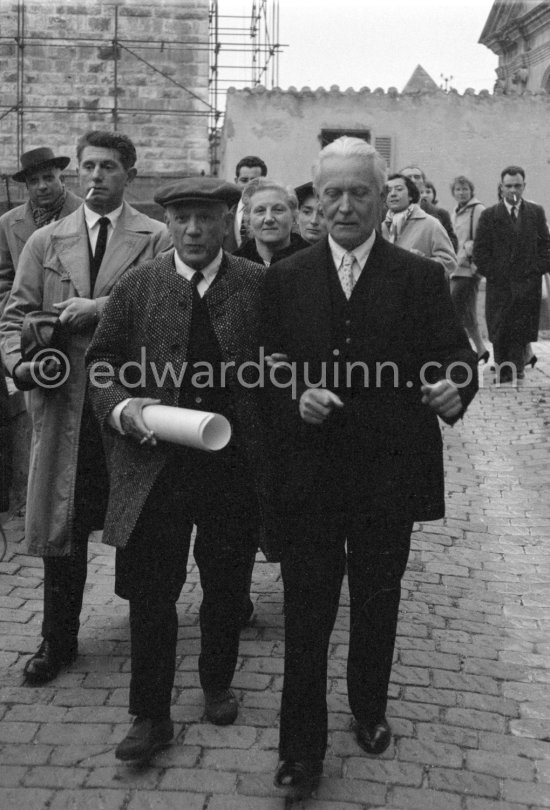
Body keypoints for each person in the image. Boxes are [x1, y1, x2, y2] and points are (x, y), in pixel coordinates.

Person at [261, 136, 478, 799]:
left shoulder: (417, 277)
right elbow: (263, 366)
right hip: (312, 477)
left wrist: (454, 387)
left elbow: (456, 355)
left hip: (389, 472)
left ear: (384, 198)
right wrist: (293, 392)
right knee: (307, 613)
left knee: (378, 604)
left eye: (360, 191)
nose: (346, 205)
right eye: (333, 193)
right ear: (316, 201)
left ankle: (369, 707)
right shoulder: (286, 277)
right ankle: (300, 748)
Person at [85, 177, 277, 763]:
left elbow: (286, 364)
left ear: (228, 222)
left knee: (225, 588)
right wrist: (125, 407)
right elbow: (100, 365)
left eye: (206, 218)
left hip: (233, 469)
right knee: (150, 593)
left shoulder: (258, 285)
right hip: (156, 468)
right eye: (182, 219)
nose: (193, 230)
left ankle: (216, 682)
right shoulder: (140, 285)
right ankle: (150, 714)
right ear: (167, 223)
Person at [0, 130, 170, 685]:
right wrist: (18, 365)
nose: (95, 177)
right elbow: (13, 315)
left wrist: (100, 306)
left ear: (130, 176)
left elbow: (167, 307)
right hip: (63, 406)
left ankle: (144, 635)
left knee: (135, 524)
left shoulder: (157, 238)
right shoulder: (45, 242)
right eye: (88, 167)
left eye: (109, 167)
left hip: (126, 407)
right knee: (61, 528)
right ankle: (57, 641)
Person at [473, 165, 550, 383]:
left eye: (517, 185)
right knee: (500, 328)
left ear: (524, 186)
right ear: (501, 187)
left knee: (521, 328)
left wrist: (537, 268)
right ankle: (504, 369)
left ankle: (518, 370)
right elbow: (480, 252)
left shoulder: (536, 213)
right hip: (501, 285)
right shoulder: (490, 215)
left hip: (527, 283)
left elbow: (546, 246)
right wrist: (495, 274)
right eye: (508, 186)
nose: (513, 190)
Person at [0, 147, 82, 315]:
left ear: (62, 179)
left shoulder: (85, 214)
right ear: (27, 187)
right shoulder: (7, 223)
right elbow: (3, 279)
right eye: (34, 181)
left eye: (48, 178)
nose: (42, 186)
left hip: (72, 316)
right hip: (25, 319)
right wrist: (20, 309)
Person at [381, 173, 457, 277]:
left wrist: (419, 263)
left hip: (418, 290)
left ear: (411, 195)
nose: (393, 194)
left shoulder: (430, 224)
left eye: (399, 189)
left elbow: (449, 263)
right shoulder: (381, 227)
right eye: (388, 190)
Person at [450, 175, 489, 363]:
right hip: (456, 268)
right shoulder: (456, 211)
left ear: (471, 191)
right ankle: (481, 350)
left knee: (453, 312)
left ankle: (461, 353)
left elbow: (481, 239)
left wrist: (467, 254)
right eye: (458, 189)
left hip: (468, 270)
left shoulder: (477, 209)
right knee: (468, 313)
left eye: (465, 189)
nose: (461, 192)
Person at [234, 178, 309, 266]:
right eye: (260, 210)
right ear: (248, 219)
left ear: (294, 216)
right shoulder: (232, 267)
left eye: (278, 210)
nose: (269, 219)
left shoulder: (316, 261)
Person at [400, 164, 458, 251]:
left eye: (417, 177)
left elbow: (451, 246)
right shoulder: (386, 212)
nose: (413, 180)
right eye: (408, 177)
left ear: (423, 182)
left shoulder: (440, 214)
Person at [223, 155, 268, 253]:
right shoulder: (226, 211)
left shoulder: (271, 214)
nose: (249, 185)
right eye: (244, 180)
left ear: (264, 182)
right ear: (236, 181)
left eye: (254, 180)